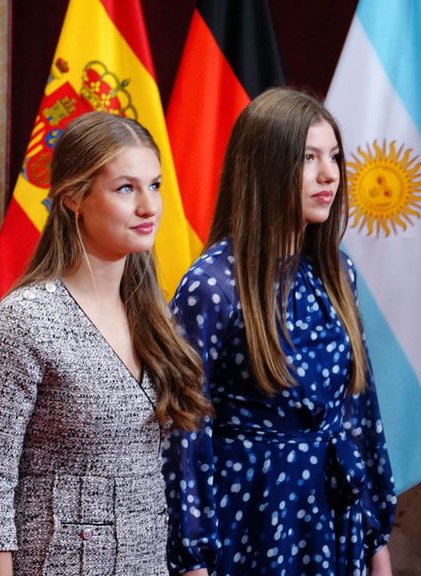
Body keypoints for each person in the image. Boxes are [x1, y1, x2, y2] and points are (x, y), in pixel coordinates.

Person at [164, 87, 397, 576]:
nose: (329, 174)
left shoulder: (336, 270)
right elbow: (186, 432)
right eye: (308, 158)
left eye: (333, 156)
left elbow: (359, 411)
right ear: (264, 168)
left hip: (333, 516)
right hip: (252, 516)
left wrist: (377, 542)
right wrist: (192, 561)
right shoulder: (211, 285)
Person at [0, 112, 212, 575]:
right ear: (74, 197)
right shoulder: (24, 321)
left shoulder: (155, 315)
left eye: (155, 186)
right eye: (126, 189)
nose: (149, 207)